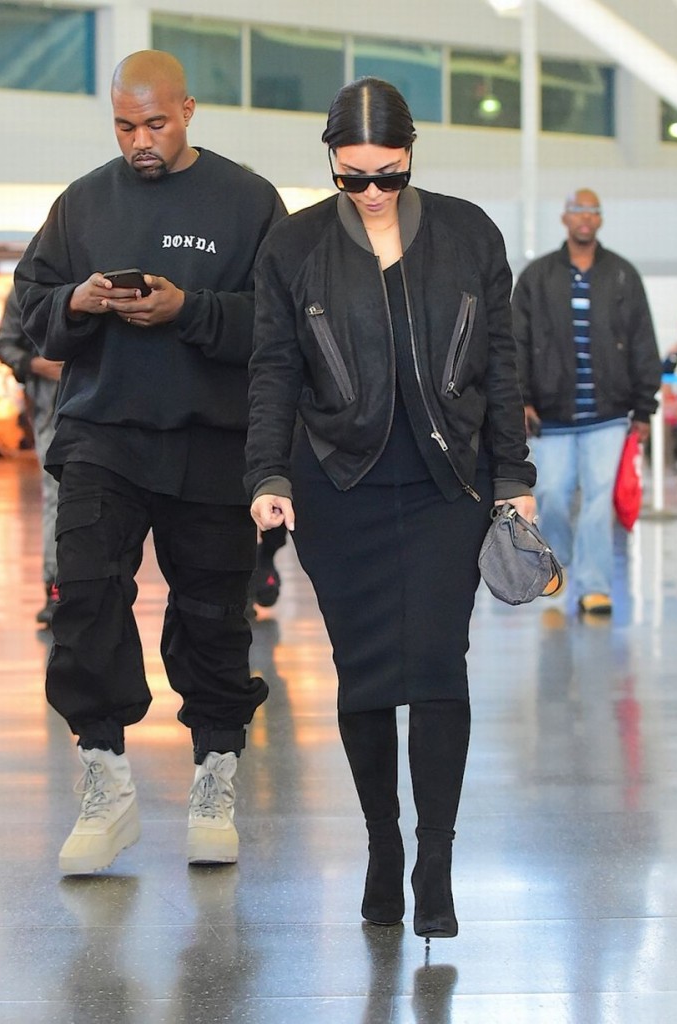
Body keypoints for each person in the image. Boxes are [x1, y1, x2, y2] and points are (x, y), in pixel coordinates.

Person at [246, 77, 536, 940]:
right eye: (352, 177)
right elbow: (272, 371)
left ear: (412, 154)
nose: (371, 191)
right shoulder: (291, 249)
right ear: (330, 162)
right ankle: (380, 845)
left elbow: (499, 358)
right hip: (339, 484)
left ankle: (434, 860)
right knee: (365, 672)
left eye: (388, 174)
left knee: (440, 667)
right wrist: (268, 475)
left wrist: (512, 474)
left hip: (452, 483)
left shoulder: (468, 232)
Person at [14, 50, 286, 875]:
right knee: (84, 596)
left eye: (155, 123)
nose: (140, 140)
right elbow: (31, 309)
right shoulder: (82, 202)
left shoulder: (247, 201)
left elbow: (281, 326)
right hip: (102, 435)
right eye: (125, 125)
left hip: (211, 440)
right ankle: (104, 778)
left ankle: (214, 776)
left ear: (189, 110)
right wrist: (77, 301)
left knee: (212, 613)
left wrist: (188, 309)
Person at [512, 189, 661, 617]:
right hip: (552, 413)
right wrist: (520, 400)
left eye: (592, 211)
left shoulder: (621, 275)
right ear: (564, 218)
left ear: (599, 220)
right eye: (577, 210)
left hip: (608, 413)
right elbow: (515, 342)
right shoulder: (538, 277)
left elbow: (642, 341)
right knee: (554, 494)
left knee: (598, 501)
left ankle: (595, 587)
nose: (584, 218)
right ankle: (558, 568)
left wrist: (645, 406)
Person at [0, 287, 63, 625]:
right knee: (56, 497)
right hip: (51, 412)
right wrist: (37, 365)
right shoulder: (29, 285)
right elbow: (4, 344)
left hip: (112, 409)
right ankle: (55, 589)